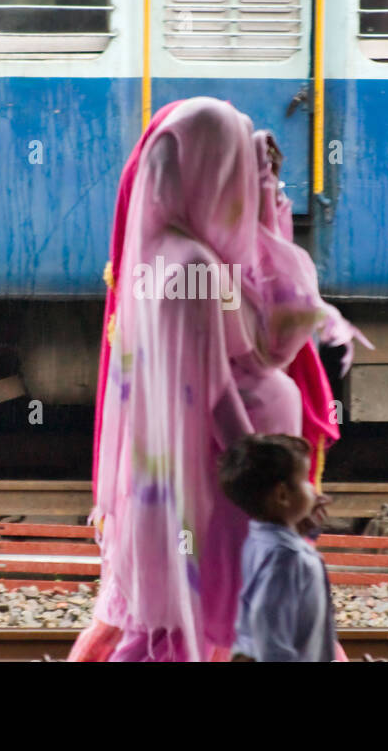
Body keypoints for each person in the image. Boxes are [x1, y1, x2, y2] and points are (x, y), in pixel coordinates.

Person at [69, 97, 365, 662]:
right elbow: (216, 396)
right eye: (230, 166)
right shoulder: (195, 269)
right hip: (222, 487)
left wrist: (262, 173)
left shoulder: (162, 253)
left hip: (188, 483)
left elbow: (249, 263)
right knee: (216, 629)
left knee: (150, 627)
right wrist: (278, 482)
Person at [219, 434, 337, 662]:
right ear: (282, 495)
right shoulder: (287, 559)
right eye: (305, 481)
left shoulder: (259, 539)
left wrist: (300, 525)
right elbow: (270, 633)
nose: (313, 489)